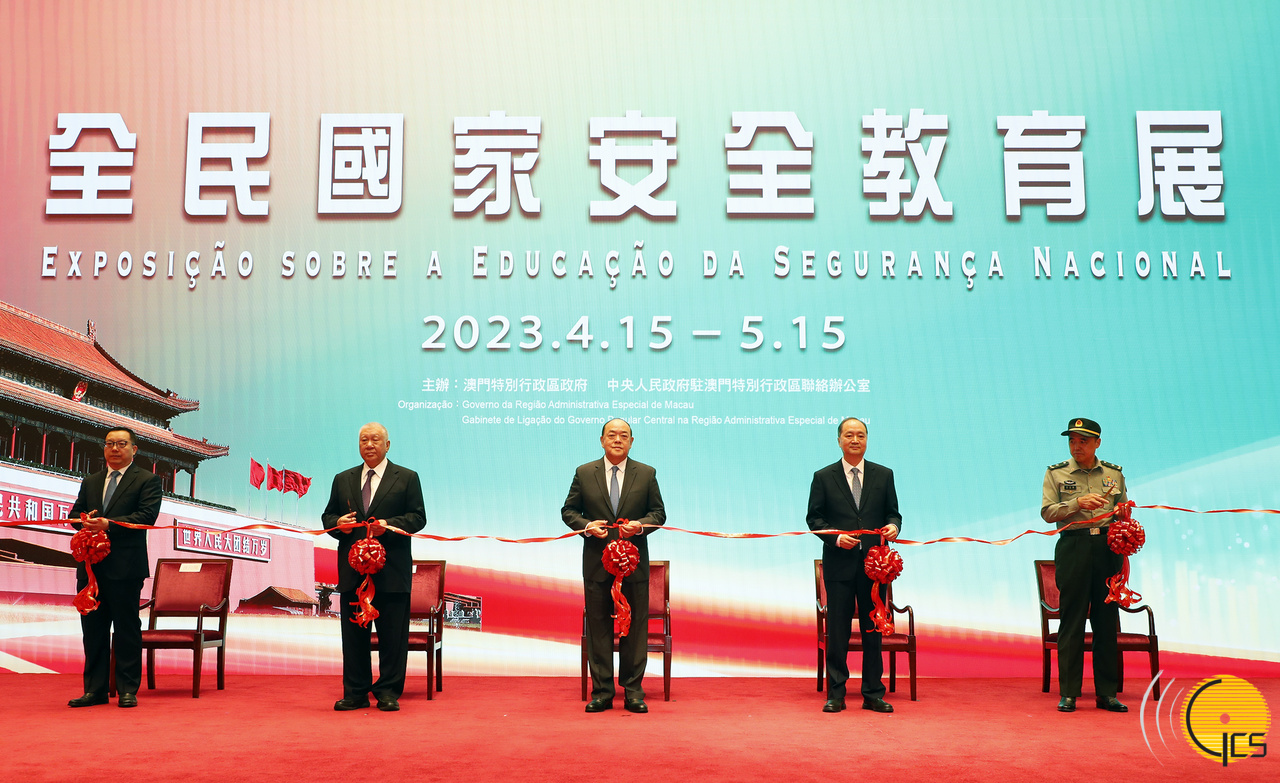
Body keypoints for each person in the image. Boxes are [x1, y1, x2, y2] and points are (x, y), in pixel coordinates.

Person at [562, 418, 666, 714]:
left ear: (631, 441)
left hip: (633, 564)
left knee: (634, 629)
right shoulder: (585, 472)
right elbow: (569, 510)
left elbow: (658, 513)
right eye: (612, 435)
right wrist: (586, 526)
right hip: (597, 565)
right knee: (599, 629)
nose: (617, 439)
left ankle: (633, 692)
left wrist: (640, 526)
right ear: (602, 440)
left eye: (623, 435)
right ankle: (602, 692)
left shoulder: (646, 473)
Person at [322, 422, 426, 712]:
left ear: (387, 445)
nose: (369, 444)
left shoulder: (407, 477)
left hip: (391, 571)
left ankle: (388, 692)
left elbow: (418, 518)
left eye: (375, 439)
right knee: (354, 635)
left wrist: (388, 525)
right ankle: (355, 692)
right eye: (364, 440)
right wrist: (338, 524)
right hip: (353, 572)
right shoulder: (342, 479)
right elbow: (328, 516)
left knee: (393, 637)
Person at [806, 417, 902, 714]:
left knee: (873, 629)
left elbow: (893, 514)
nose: (855, 440)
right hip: (839, 566)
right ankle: (836, 693)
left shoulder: (883, 475)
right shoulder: (824, 476)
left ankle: (873, 693)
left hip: (875, 567)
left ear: (867, 439)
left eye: (860, 435)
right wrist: (836, 538)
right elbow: (814, 519)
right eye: (849, 435)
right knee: (838, 632)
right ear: (839, 440)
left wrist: (893, 527)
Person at [66, 427, 163, 708]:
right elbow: (74, 514)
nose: (115, 449)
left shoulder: (147, 480)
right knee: (93, 630)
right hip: (91, 570)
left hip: (126, 567)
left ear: (134, 449)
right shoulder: (91, 481)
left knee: (126, 628)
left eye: (121, 443)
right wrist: (84, 520)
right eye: (109, 444)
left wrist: (108, 524)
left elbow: (146, 516)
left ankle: (127, 689)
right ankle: (94, 690)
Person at [1041, 417, 1129, 713]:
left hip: (1107, 549)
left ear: (1097, 443)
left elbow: (1123, 509)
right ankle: (1069, 693)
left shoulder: (1114, 473)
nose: (1076, 446)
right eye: (1072, 441)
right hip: (1074, 546)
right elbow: (1047, 513)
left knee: (1106, 621)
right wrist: (1077, 504)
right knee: (1072, 620)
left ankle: (1107, 693)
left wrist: (1124, 516)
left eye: (1083, 441)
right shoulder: (1056, 473)